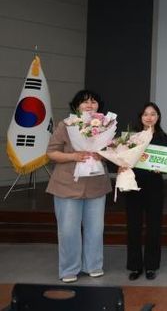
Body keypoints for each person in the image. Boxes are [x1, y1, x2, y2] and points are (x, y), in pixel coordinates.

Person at [46, 89, 111, 283]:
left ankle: (93, 265)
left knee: (96, 229)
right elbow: (51, 153)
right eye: (85, 102)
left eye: (93, 101)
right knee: (68, 230)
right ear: (76, 106)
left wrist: (103, 155)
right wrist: (74, 156)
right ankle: (69, 269)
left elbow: (113, 153)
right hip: (67, 185)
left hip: (96, 185)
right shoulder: (66, 125)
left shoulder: (106, 126)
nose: (90, 105)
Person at [124, 102, 167, 281]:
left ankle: (151, 266)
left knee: (154, 227)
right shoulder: (131, 137)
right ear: (140, 117)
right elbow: (122, 158)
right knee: (133, 227)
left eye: (153, 114)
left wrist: (163, 167)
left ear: (158, 117)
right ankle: (135, 266)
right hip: (133, 185)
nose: (149, 117)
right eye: (145, 114)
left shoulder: (163, 138)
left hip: (154, 186)